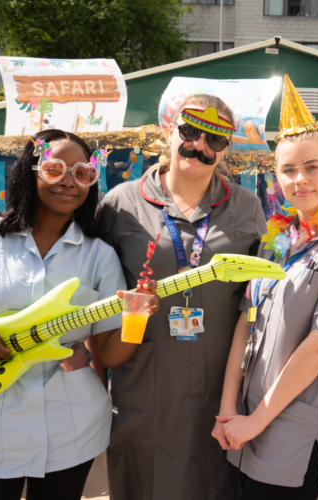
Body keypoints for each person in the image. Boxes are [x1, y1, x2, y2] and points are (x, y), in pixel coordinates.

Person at [0, 130, 158, 500]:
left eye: (82, 173)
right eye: (54, 169)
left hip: (71, 426)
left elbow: (109, 354)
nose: (68, 182)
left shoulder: (99, 255)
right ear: (30, 172)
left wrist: (137, 317)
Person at [95, 94, 266, 500]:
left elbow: (266, 302)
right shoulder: (121, 204)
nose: (199, 146)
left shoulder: (248, 209)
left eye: (215, 140)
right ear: (168, 130)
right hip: (144, 390)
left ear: (226, 149)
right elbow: (94, 294)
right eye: (190, 132)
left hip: (218, 392)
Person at [213, 75, 318, 500]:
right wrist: (229, 408)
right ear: (276, 177)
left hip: (294, 434)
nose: (299, 179)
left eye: (312, 166)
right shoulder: (273, 241)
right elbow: (245, 323)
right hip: (247, 424)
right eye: (288, 169)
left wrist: (255, 421)